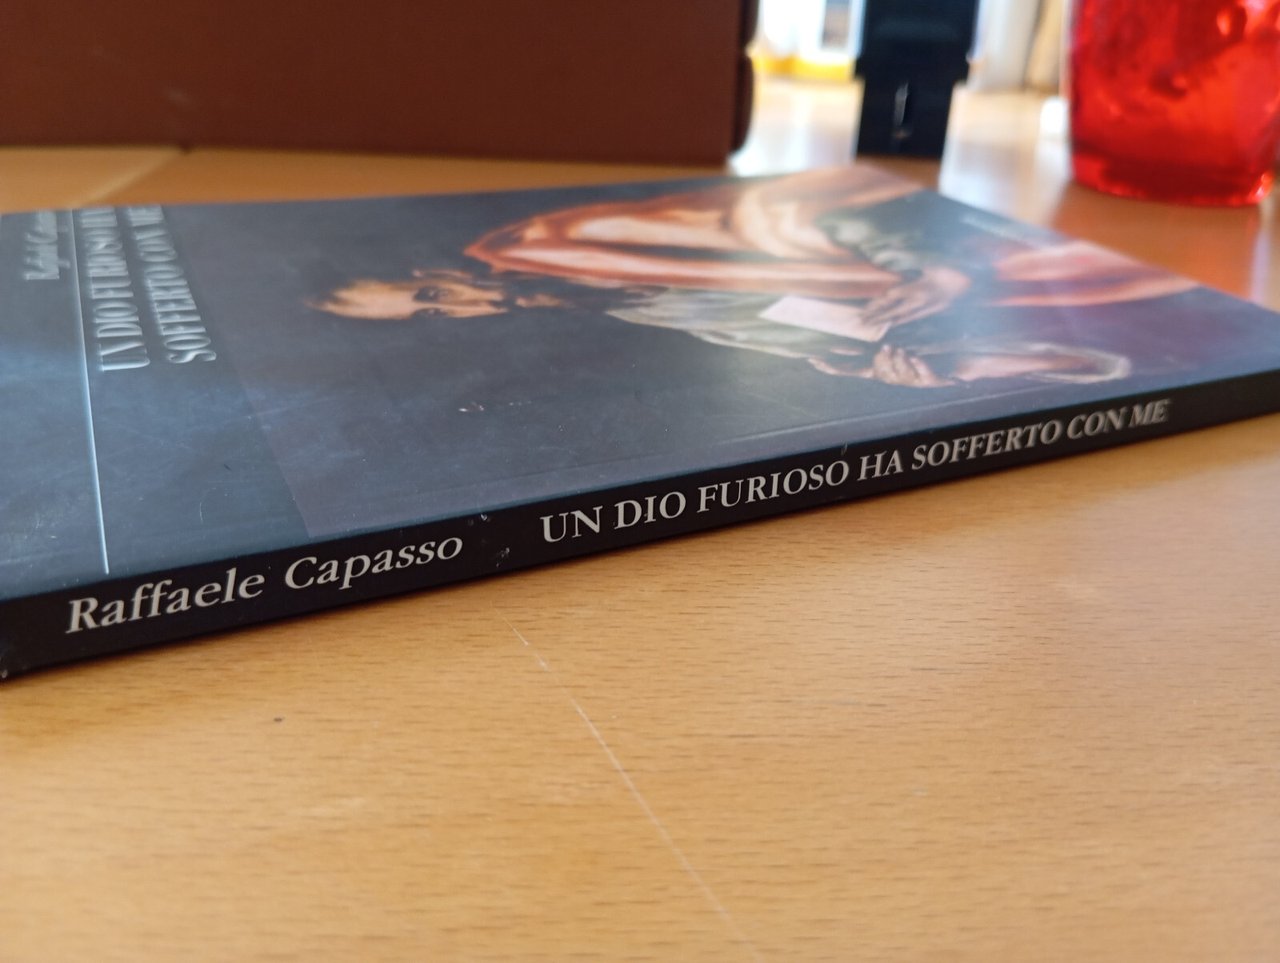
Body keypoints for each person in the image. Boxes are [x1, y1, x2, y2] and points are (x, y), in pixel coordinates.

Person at [314, 166, 1190, 387]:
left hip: (993, 253)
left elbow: (785, 215)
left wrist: (932, 266)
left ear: (426, 265)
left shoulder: (561, 239)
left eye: (428, 291)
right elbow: (772, 320)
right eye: (432, 317)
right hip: (1007, 310)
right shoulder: (620, 312)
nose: (460, 305)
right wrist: (874, 367)